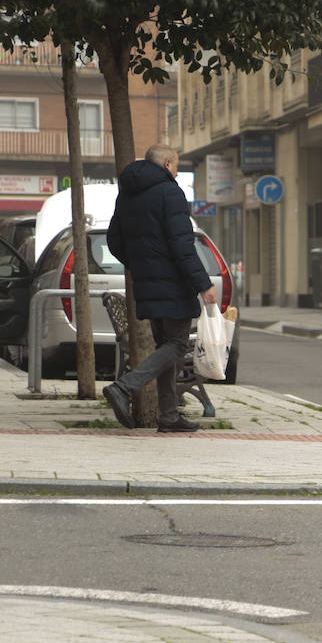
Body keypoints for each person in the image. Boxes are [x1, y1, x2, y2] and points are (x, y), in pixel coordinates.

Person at [102, 145, 217, 432]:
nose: (176, 172)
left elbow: (114, 239)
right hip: (173, 283)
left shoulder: (128, 193)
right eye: (176, 166)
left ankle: (168, 416)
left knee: (166, 346)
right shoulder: (170, 192)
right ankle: (124, 387)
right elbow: (182, 245)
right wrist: (203, 284)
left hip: (146, 282)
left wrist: (140, 264)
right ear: (167, 164)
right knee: (176, 344)